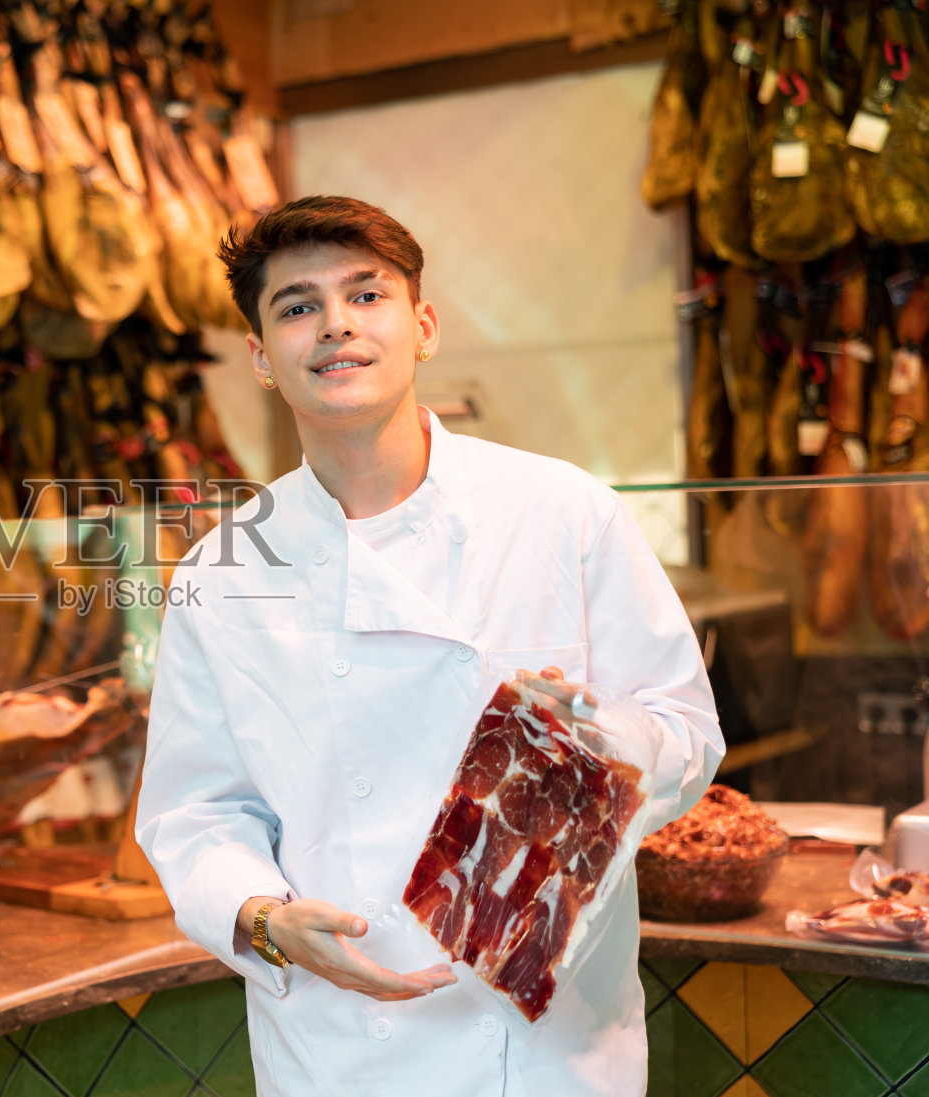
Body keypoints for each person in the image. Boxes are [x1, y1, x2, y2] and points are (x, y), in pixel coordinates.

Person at [134, 196, 723, 1096]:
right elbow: (197, 814)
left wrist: (604, 737)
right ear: (261, 357)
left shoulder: (562, 511)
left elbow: (688, 730)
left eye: (366, 295)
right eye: (297, 307)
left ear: (424, 325)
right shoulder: (223, 570)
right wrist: (263, 917)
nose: (336, 324)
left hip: (546, 1051)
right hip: (339, 1047)